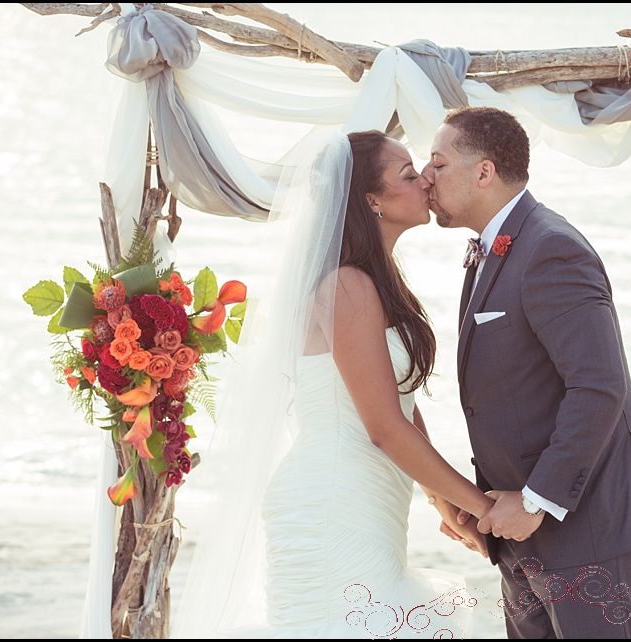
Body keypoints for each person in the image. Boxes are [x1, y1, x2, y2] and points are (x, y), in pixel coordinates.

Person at [174, 129, 488, 639]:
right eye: (409, 175)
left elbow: (400, 403)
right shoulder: (346, 285)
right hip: (332, 500)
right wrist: (484, 507)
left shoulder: (376, 279)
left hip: (370, 497)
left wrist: (441, 500)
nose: (427, 181)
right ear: (373, 201)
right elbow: (383, 427)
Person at [423, 107, 631, 639]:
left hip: (588, 529)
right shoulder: (495, 248)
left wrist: (538, 499)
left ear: (484, 172)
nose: (426, 177)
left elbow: (598, 385)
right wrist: (487, 503)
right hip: (521, 528)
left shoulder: (550, 249)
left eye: (437, 163)